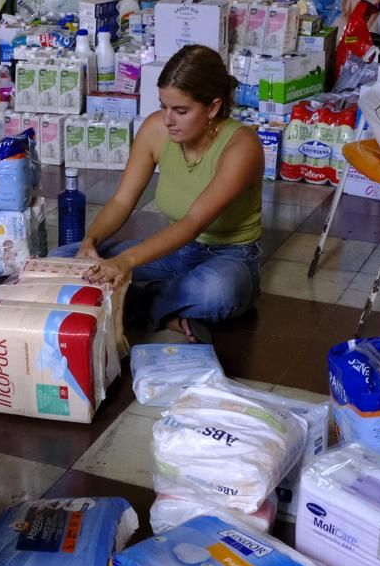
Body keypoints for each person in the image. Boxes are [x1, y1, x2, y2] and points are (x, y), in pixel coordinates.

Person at [51, 44, 264, 344]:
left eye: (181, 111)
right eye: (164, 106)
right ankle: (168, 310)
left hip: (229, 258)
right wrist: (91, 241)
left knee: (216, 292)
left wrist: (126, 262)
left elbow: (193, 223)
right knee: (62, 259)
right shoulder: (155, 129)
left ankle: (139, 301)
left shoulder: (242, 147)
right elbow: (122, 201)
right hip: (175, 252)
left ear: (213, 108)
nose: (168, 119)